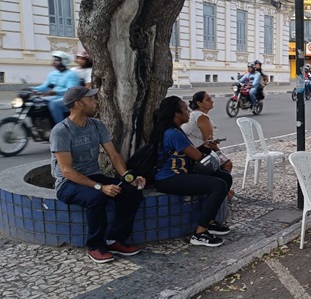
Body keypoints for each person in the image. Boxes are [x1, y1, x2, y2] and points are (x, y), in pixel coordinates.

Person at [50, 86, 145, 263]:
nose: (96, 102)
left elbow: (114, 155)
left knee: (131, 193)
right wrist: (100, 187)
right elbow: (67, 171)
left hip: (93, 175)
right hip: (67, 183)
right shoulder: (61, 131)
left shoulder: (96, 125)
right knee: (96, 198)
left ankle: (114, 240)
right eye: (91, 99)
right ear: (79, 104)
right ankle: (95, 246)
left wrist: (127, 177)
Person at [152, 96, 232, 247]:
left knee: (224, 177)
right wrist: (213, 152)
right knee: (218, 185)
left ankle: (209, 222)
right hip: (169, 179)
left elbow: (192, 152)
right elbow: (198, 157)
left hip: (180, 174)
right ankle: (200, 234)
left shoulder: (175, 131)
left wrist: (204, 146)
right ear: (177, 114)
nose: (188, 112)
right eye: (185, 109)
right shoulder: (173, 134)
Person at [181, 91, 236, 201]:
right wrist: (220, 153)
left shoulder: (193, 114)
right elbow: (209, 142)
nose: (212, 101)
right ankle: (224, 193)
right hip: (197, 154)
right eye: (208, 99)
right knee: (227, 164)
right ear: (199, 103)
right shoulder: (202, 117)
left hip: (192, 152)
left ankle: (227, 192)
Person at [32, 51, 80, 124]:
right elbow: (45, 87)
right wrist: (32, 89)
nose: (54, 62)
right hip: (55, 97)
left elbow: (71, 90)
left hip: (68, 99)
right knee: (36, 101)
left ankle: (61, 128)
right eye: (54, 60)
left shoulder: (71, 74)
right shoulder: (53, 74)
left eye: (57, 60)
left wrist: (54, 92)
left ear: (64, 61)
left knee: (54, 104)